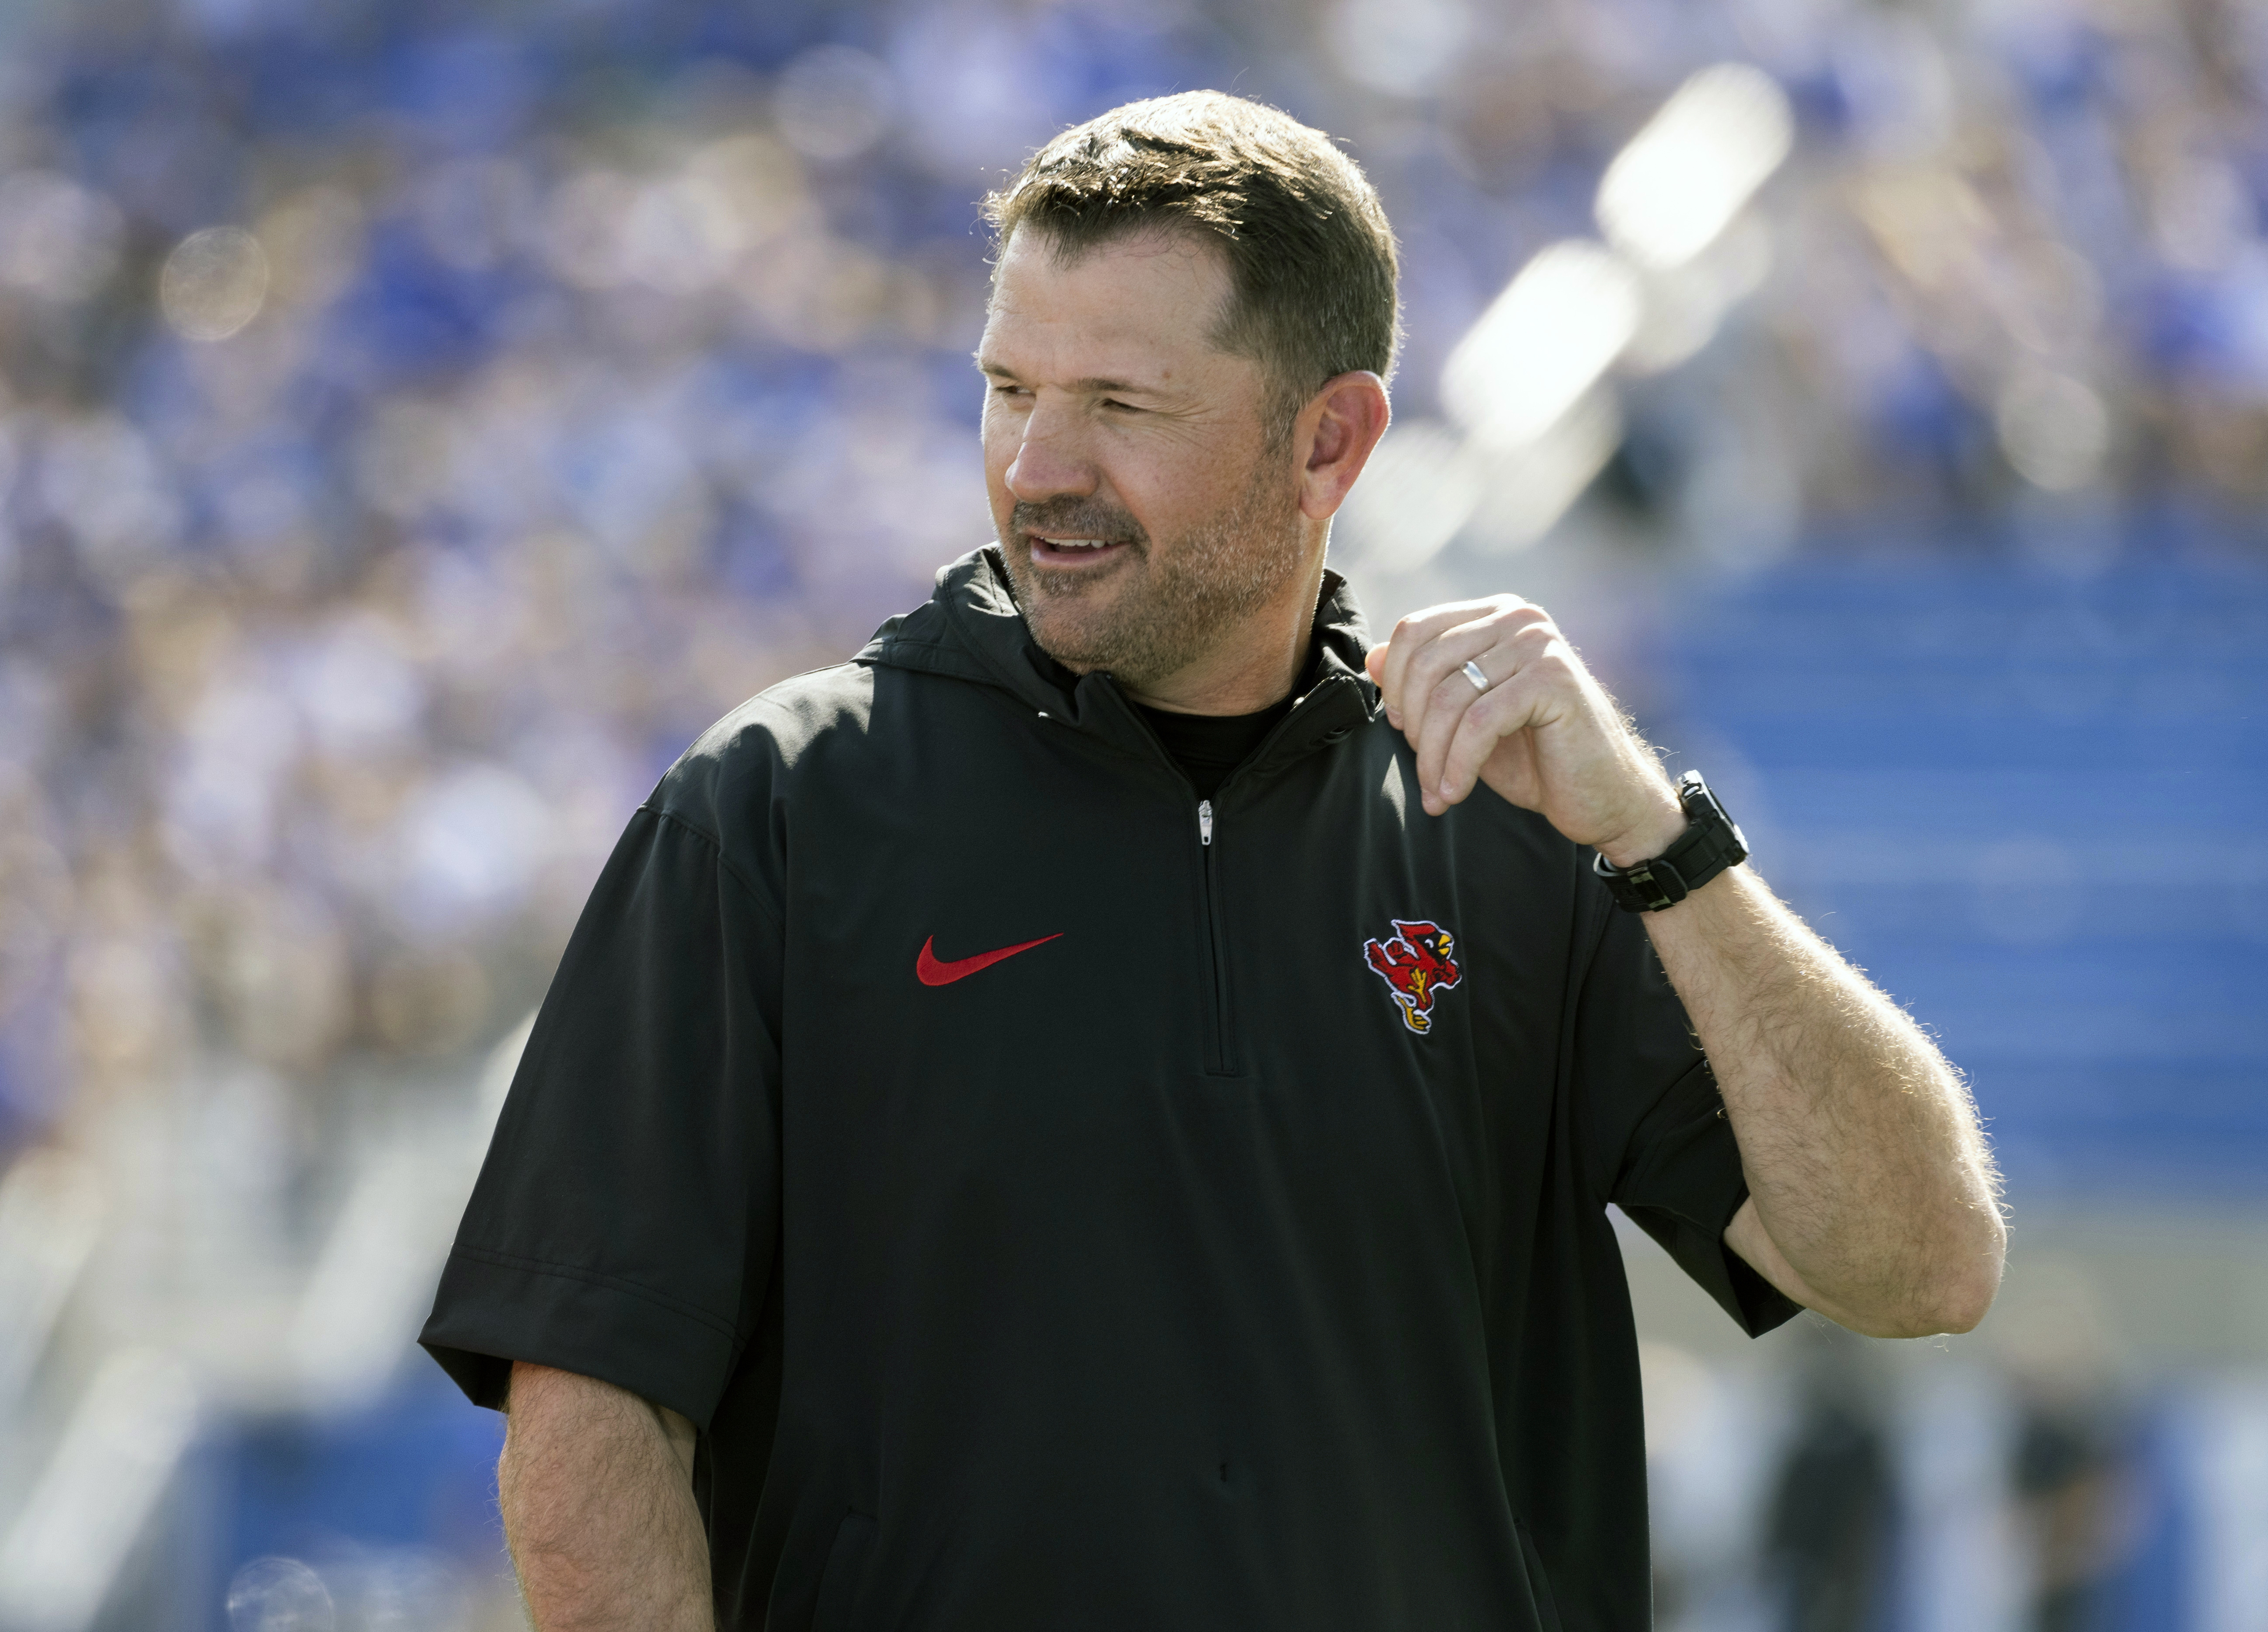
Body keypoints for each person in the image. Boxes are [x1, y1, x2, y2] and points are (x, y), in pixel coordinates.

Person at [419, 91, 2004, 1632]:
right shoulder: (773, 807)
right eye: (1008, 387)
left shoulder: (1510, 832)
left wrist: (1664, 845)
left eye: (1119, 405)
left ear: (1330, 442)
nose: (1038, 467)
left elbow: (1916, 1264)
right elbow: (589, 1409)